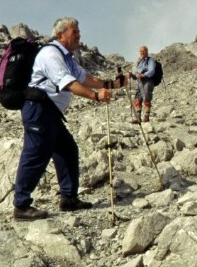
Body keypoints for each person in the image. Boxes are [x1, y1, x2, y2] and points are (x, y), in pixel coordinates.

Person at [13, 17, 125, 220]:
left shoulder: (66, 58)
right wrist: (95, 96)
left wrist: (111, 85)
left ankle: (68, 198)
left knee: (67, 150)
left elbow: (86, 78)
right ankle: (21, 206)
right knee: (36, 154)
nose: (79, 35)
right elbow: (68, 83)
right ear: (60, 35)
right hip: (39, 110)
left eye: (78, 31)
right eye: (75, 32)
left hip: (50, 113)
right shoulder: (50, 54)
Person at [128, 45, 156, 123]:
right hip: (140, 82)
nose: (142, 52)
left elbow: (152, 71)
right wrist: (132, 75)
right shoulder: (140, 62)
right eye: (141, 51)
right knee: (138, 99)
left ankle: (146, 116)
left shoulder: (150, 61)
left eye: (143, 51)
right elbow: (136, 73)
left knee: (147, 98)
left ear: (147, 51)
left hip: (148, 81)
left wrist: (143, 75)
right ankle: (138, 117)